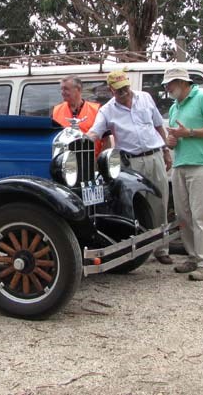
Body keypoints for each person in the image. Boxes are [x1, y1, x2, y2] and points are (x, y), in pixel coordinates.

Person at [86, 70, 173, 264]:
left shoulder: (145, 98)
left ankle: (161, 249)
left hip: (154, 156)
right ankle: (141, 250)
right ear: (111, 90)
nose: (124, 92)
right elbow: (96, 132)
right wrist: (83, 138)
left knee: (160, 202)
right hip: (130, 162)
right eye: (119, 89)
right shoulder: (107, 110)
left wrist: (166, 150)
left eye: (125, 87)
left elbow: (158, 125)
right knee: (138, 205)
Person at [163, 67, 203, 281]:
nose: (167, 88)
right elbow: (174, 138)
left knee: (202, 215)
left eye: (170, 84)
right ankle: (193, 257)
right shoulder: (174, 108)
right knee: (183, 216)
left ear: (182, 82)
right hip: (181, 165)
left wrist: (189, 133)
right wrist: (171, 141)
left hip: (201, 165)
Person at [52, 75, 110, 154]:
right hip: (65, 163)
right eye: (61, 89)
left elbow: (106, 140)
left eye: (66, 89)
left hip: (91, 162)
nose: (62, 92)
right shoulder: (56, 110)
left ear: (78, 89)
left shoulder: (97, 110)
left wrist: (100, 162)